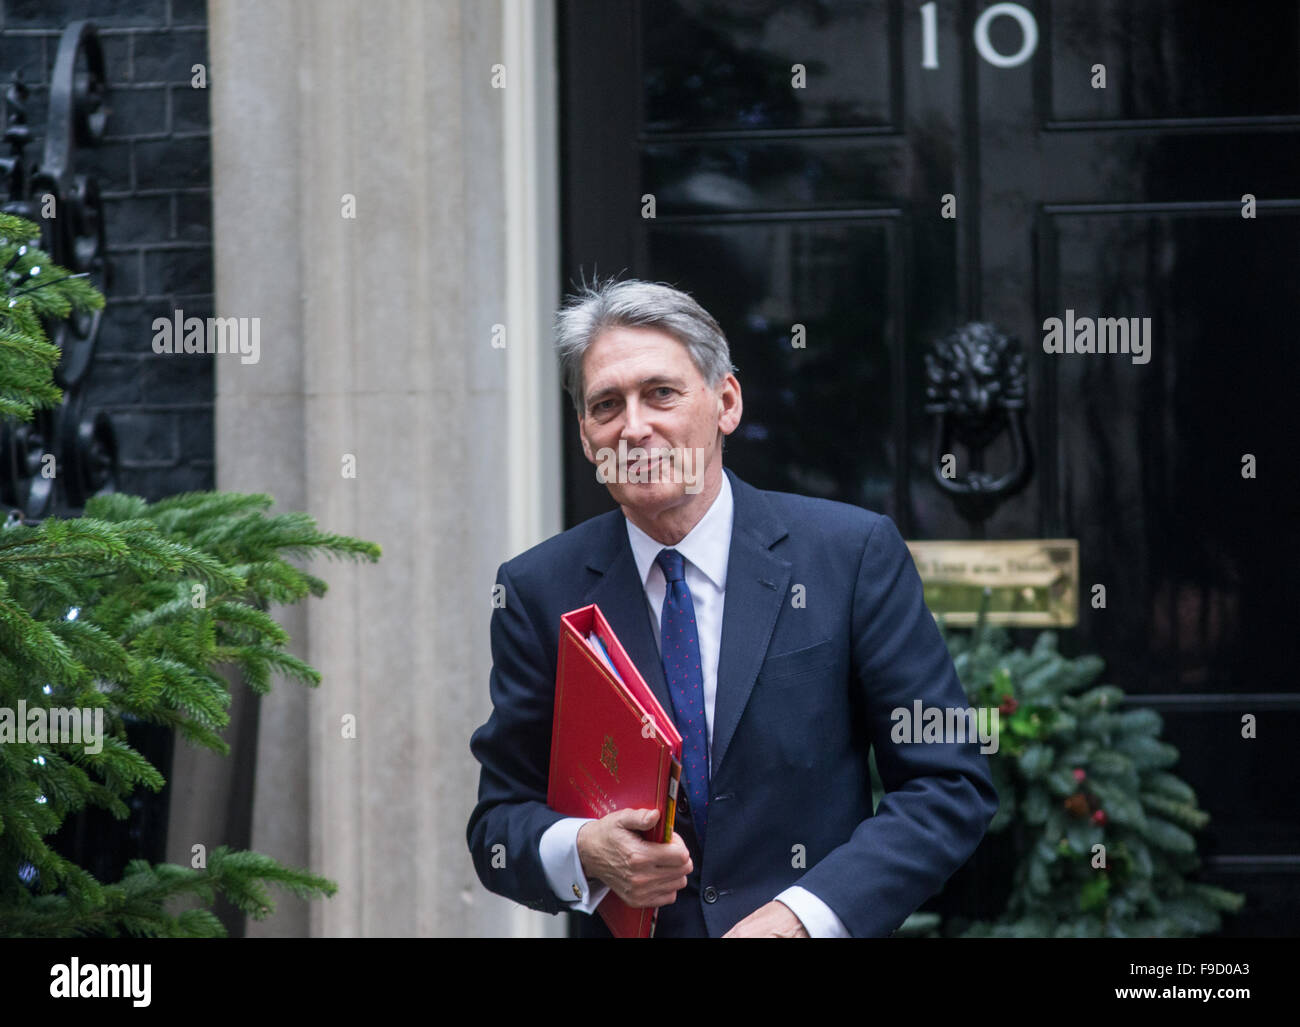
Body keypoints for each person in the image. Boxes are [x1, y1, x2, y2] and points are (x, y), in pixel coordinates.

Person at [466, 279, 998, 937]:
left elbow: (948, 785)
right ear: (585, 435)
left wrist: (804, 917)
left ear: (726, 402)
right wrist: (581, 847)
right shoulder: (538, 589)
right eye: (607, 404)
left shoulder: (849, 555)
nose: (634, 426)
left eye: (661, 392)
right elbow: (498, 822)